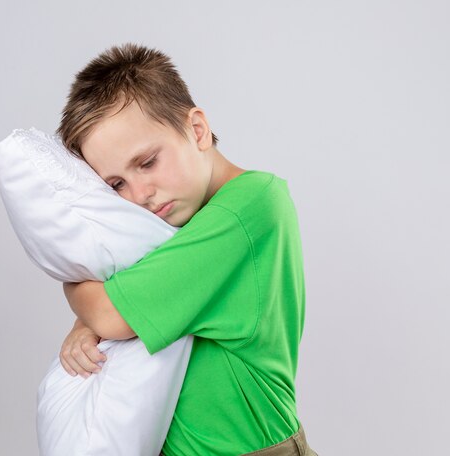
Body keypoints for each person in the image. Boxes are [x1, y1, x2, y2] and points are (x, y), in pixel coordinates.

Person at [56, 42, 317, 456]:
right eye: (116, 184)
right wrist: (87, 320)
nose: (139, 194)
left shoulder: (249, 207)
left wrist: (75, 285)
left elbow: (112, 312)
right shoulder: (173, 224)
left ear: (196, 130)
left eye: (146, 162)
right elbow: (123, 299)